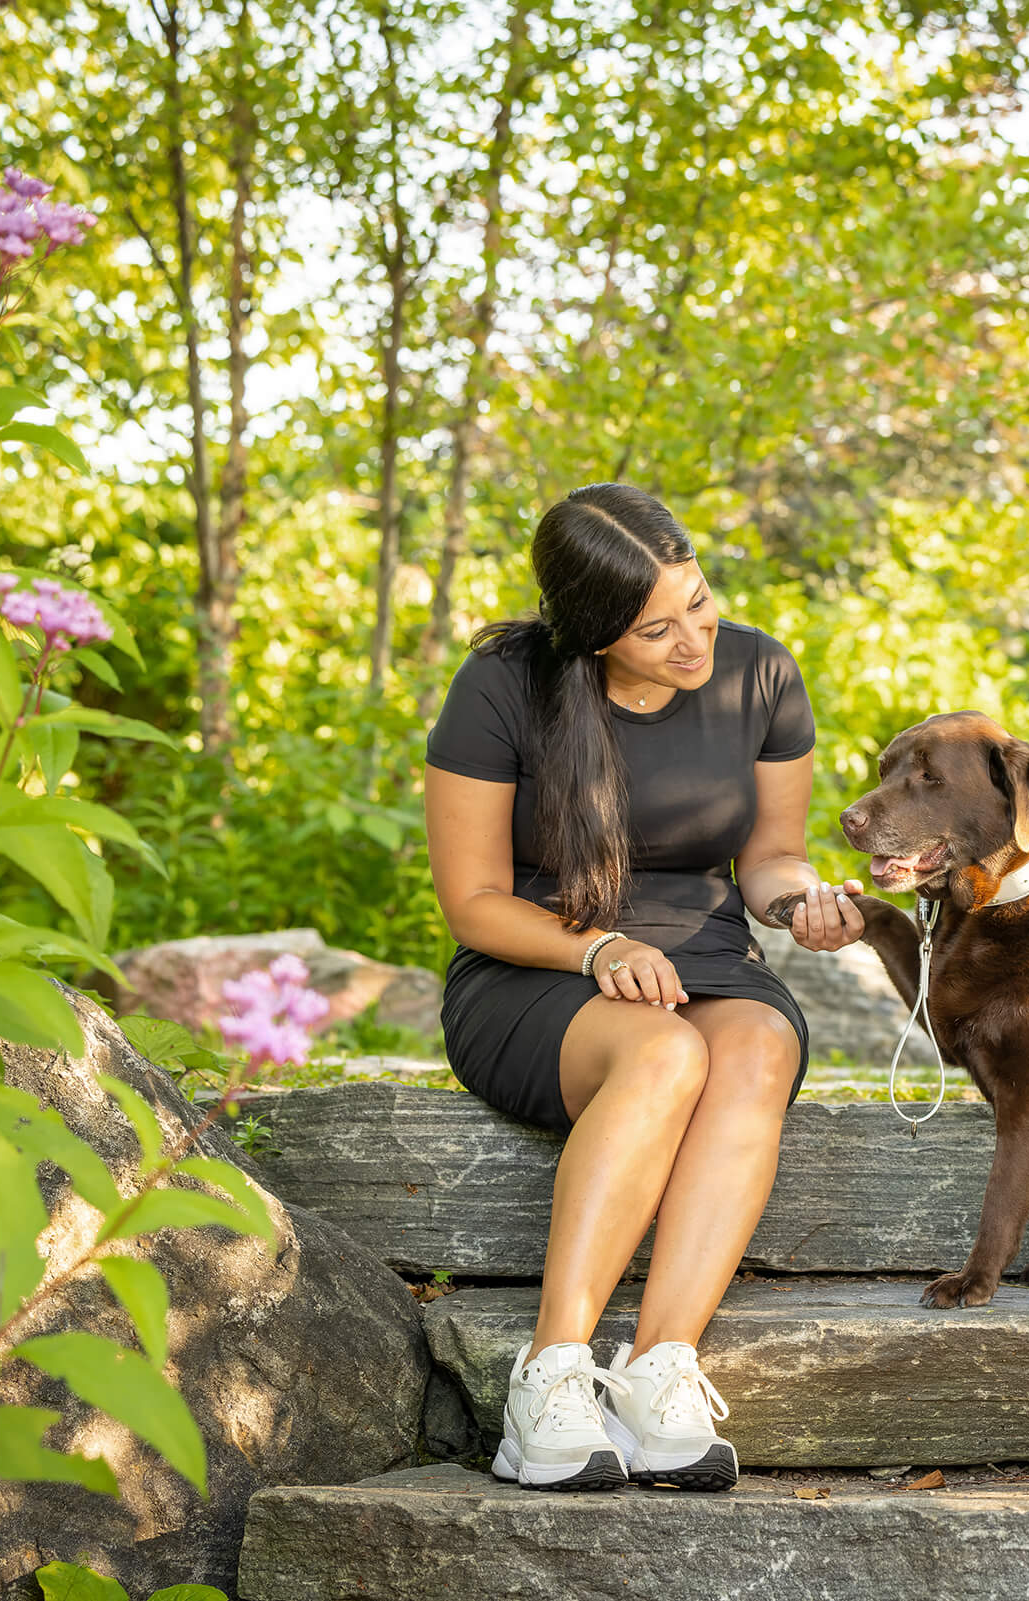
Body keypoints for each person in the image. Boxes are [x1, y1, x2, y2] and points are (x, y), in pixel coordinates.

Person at [422, 482, 866, 1492]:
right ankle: (550, 1376)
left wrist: (804, 902)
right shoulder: (502, 684)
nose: (692, 639)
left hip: (703, 955)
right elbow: (476, 898)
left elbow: (772, 857)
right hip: (536, 966)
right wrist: (596, 950)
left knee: (754, 1044)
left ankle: (662, 1365)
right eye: (654, 627)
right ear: (589, 635)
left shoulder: (761, 672)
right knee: (668, 1050)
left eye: (699, 601)